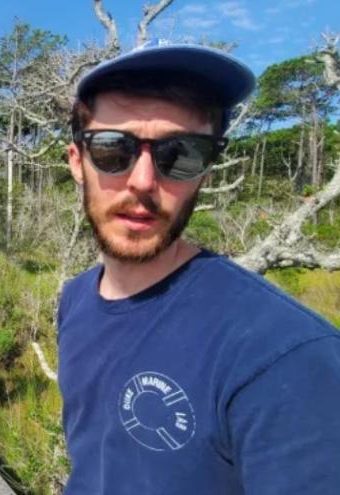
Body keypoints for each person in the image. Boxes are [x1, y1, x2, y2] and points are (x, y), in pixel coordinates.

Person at [57, 40, 340, 494]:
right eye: (114, 149)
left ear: (205, 173)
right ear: (77, 161)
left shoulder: (287, 355)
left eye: (181, 154)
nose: (144, 181)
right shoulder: (75, 300)